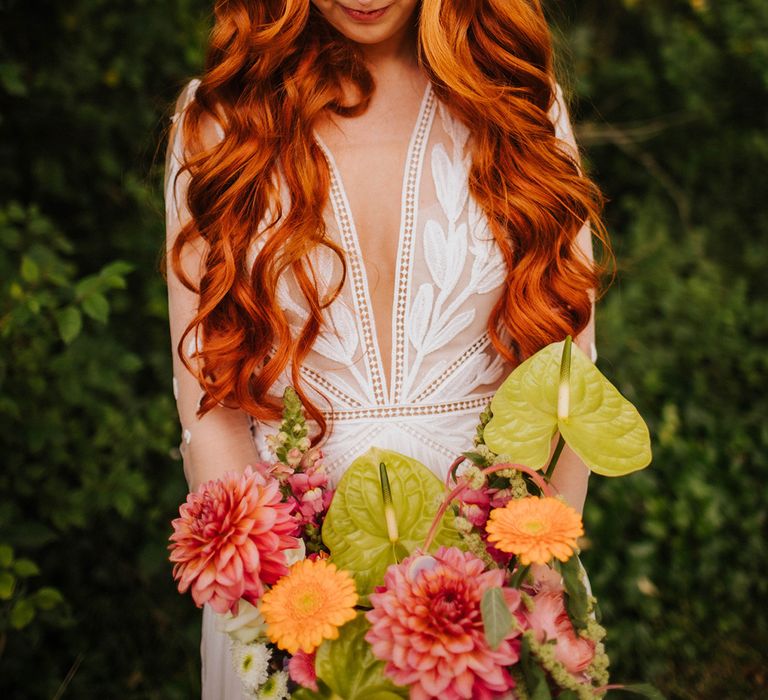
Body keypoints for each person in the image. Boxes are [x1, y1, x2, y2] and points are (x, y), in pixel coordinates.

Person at [164, 1, 609, 697]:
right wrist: (286, 609)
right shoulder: (221, 124)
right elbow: (207, 395)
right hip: (289, 597)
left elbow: (569, 375)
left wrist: (527, 568)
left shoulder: (521, 106)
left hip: (495, 587)